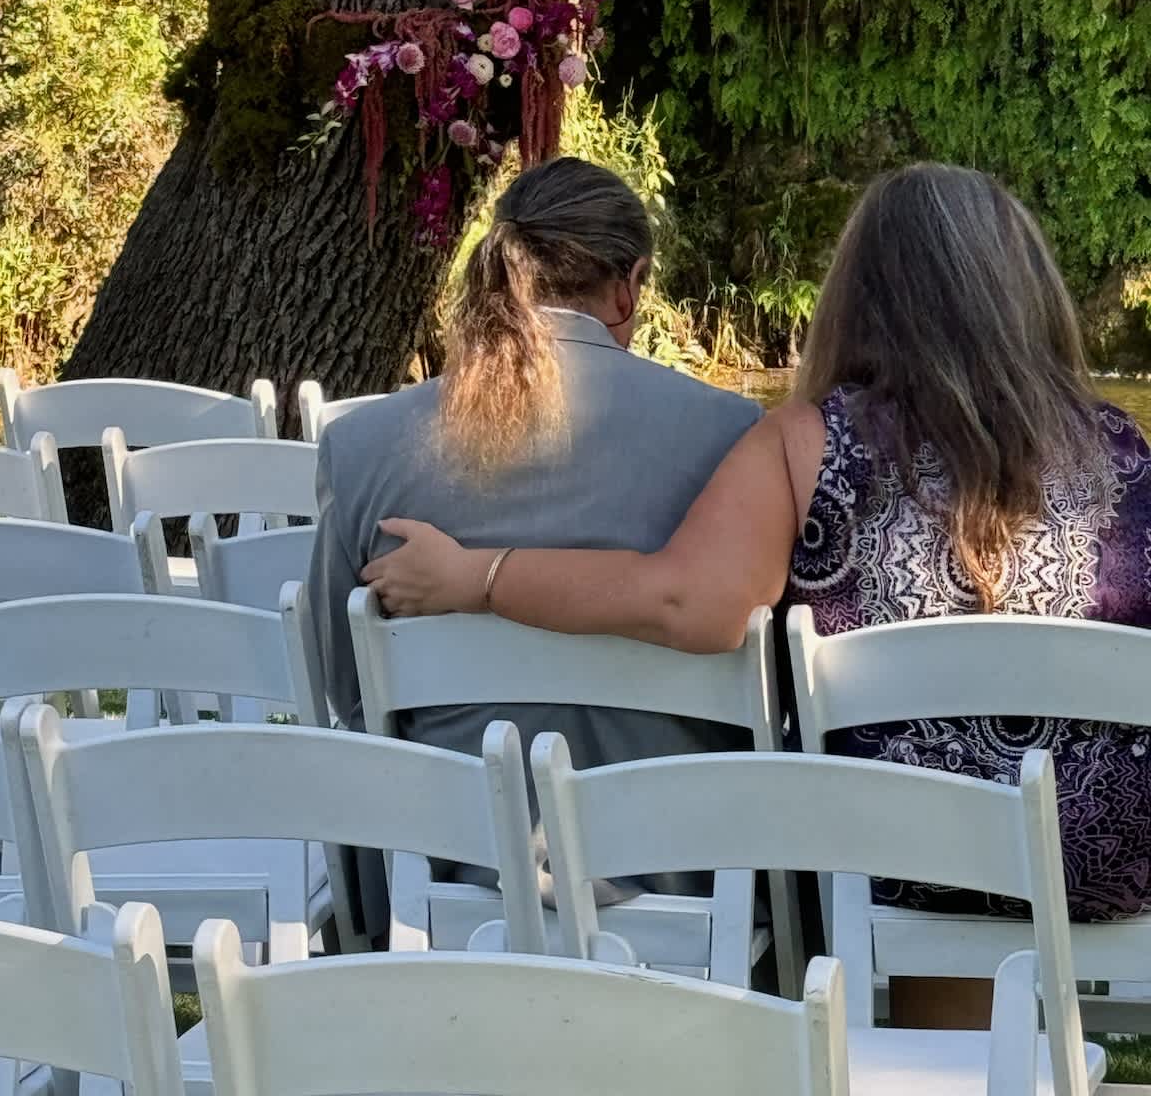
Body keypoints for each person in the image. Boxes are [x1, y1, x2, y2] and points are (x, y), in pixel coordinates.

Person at [366, 163, 1151, 962]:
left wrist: (481, 576)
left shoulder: (811, 442)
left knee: (907, 799)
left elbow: (687, 605)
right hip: (1106, 851)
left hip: (894, 858)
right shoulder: (1122, 450)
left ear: (861, 296)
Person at [309, 155, 763, 938]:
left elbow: (342, 682)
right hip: (689, 881)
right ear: (629, 286)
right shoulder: (734, 437)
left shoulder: (364, 447)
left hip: (440, 881)